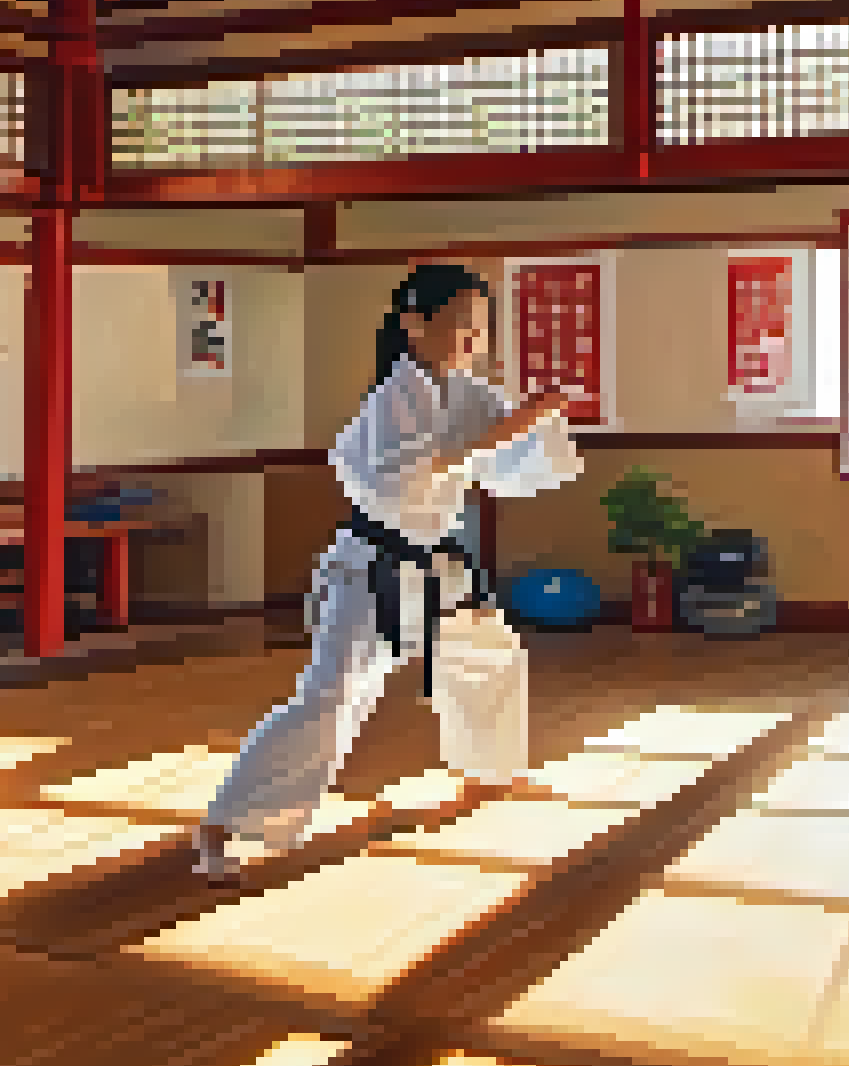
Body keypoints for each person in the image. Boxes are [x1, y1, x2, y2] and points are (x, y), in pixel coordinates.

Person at [190, 264, 581, 883]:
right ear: (414, 324)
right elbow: (407, 481)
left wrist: (534, 426)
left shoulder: (470, 392)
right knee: (333, 697)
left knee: (492, 659)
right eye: (460, 325)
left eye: (480, 329)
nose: (473, 340)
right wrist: (505, 433)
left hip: (443, 566)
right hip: (374, 566)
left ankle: (487, 776)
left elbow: (507, 468)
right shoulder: (391, 401)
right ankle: (228, 823)